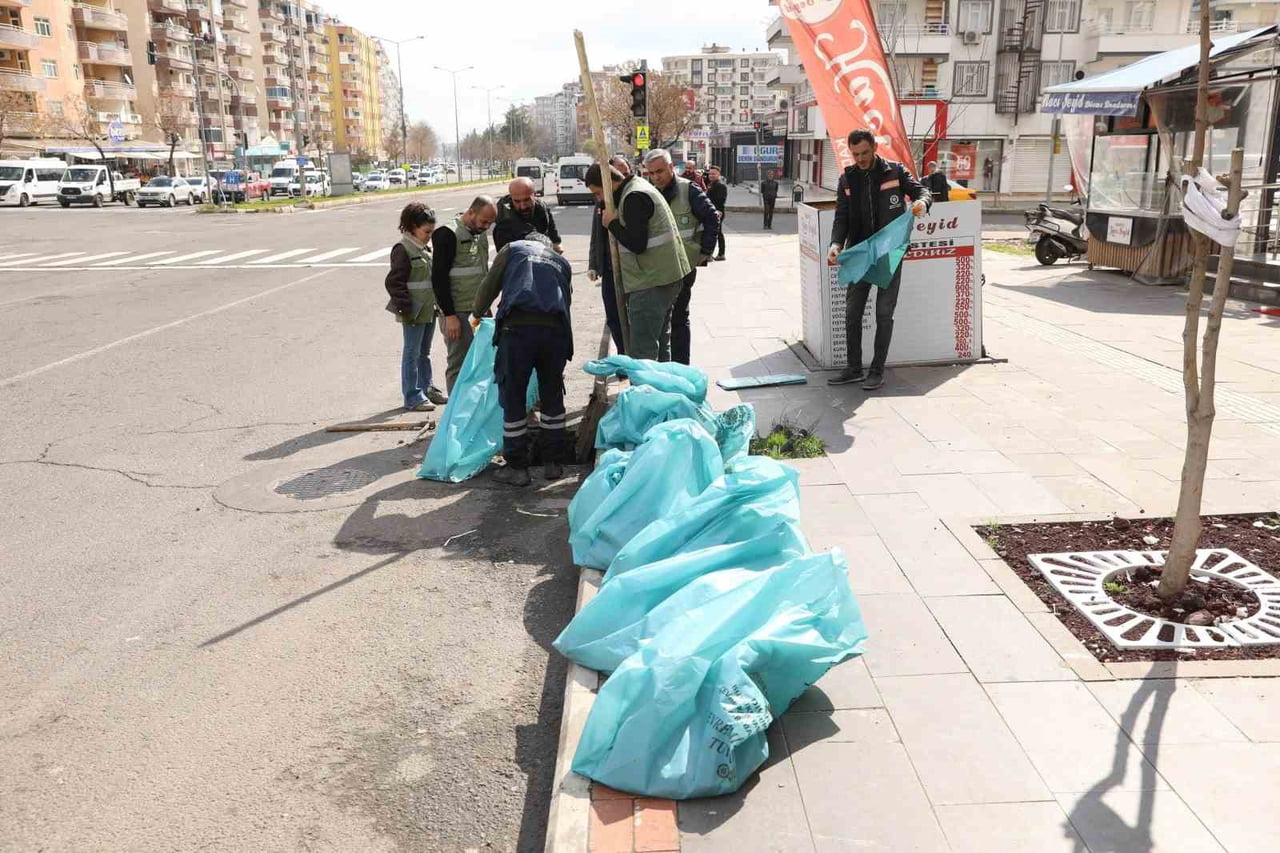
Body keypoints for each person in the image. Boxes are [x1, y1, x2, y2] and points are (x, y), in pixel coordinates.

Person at [826, 129, 931, 391]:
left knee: (884, 314)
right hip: (860, 254)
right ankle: (853, 368)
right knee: (852, 313)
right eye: (855, 154)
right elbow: (842, 216)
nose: (860, 159)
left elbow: (922, 192)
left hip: (889, 254)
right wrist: (836, 243)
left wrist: (922, 204)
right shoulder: (847, 179)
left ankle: (876, 371)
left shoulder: (895, 172)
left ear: (874, 147)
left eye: (864, 152)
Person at [472, 233, 573, 486]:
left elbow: (490, 284)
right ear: (548, 246)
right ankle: (553, 463)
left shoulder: (513, 248)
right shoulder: (562, 262)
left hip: (518, 331)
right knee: (551, 395)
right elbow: (566, 301)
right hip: (555, 333)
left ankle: (517, 467)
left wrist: (476, 313)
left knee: (514, 396)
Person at [585, 163, 691, 362]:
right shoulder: (638, 186)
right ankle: (661, 389)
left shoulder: (633, 197)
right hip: (664, 277)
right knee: (659, 344)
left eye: (598, 193)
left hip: (651, 282)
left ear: (608, 184)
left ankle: (646, 392)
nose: (598, 199)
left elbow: (637, 244)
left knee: (643, 350)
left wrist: (611, 224)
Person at [641, 148, 717, 365]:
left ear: (671, 168)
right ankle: (665, 366)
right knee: (661, 319)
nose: (657, 177)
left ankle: (682, 367)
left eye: (660, 171)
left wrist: (705, 252)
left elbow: (712, 218)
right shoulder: (647, 192)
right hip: (659, 267)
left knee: (679, 317)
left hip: (684, 267)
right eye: (651, 173)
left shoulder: (688, 190)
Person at [431, 195, 498, 392]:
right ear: (471, 212)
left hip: (479, 311)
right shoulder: (447, 234)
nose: (486, 226)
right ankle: (456, 418)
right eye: (484, 221)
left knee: (482, 363)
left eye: (490, 223)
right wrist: (450, 316)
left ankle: (473, 414)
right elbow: (438, 279)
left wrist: (485, 308)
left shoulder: (479, 232)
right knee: (459, 366)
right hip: (457, 314)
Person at [384, 203, 446, 411]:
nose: (430, 236)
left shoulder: (424, 248)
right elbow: (394, 283)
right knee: (411, 353)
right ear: (412, 227)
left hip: (429, 310)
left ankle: (427, 388)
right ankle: (412, 396)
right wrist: (406, 308)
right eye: (426, 232)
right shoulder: (403, 249)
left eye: (431, 231)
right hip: (413, 312)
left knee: (424, 353)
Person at [588, 194, 624, 355]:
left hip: (631, 272)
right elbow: (596, 235)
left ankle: (631, 357)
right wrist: (593, 264)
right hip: (609, 270)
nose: (597, 195)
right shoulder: (601, 203)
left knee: (631, 318)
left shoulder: (629, 199)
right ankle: (622, 356)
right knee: (613, 317)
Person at [492, 177, 562, 253]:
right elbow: (526, 232)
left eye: (526, 200)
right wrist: (548, 246)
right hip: (512, 254)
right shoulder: (504, 212)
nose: (523, 206)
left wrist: (556, 242)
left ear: (534, 195)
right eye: (517, 201)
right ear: (511, 198)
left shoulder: (541, 206)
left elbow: (551, 227)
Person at [706, 166, 728, 260]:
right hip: (711, 211)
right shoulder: (711, 184)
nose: (711, 175)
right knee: (714, 233)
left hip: (717, 212)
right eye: (710, 174)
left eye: (713, 174)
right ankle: (714, 254)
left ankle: (720, 254)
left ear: (718, 175)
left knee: (716, 233)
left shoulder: (720, 186)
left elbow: (720, 201)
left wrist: (717, 211)